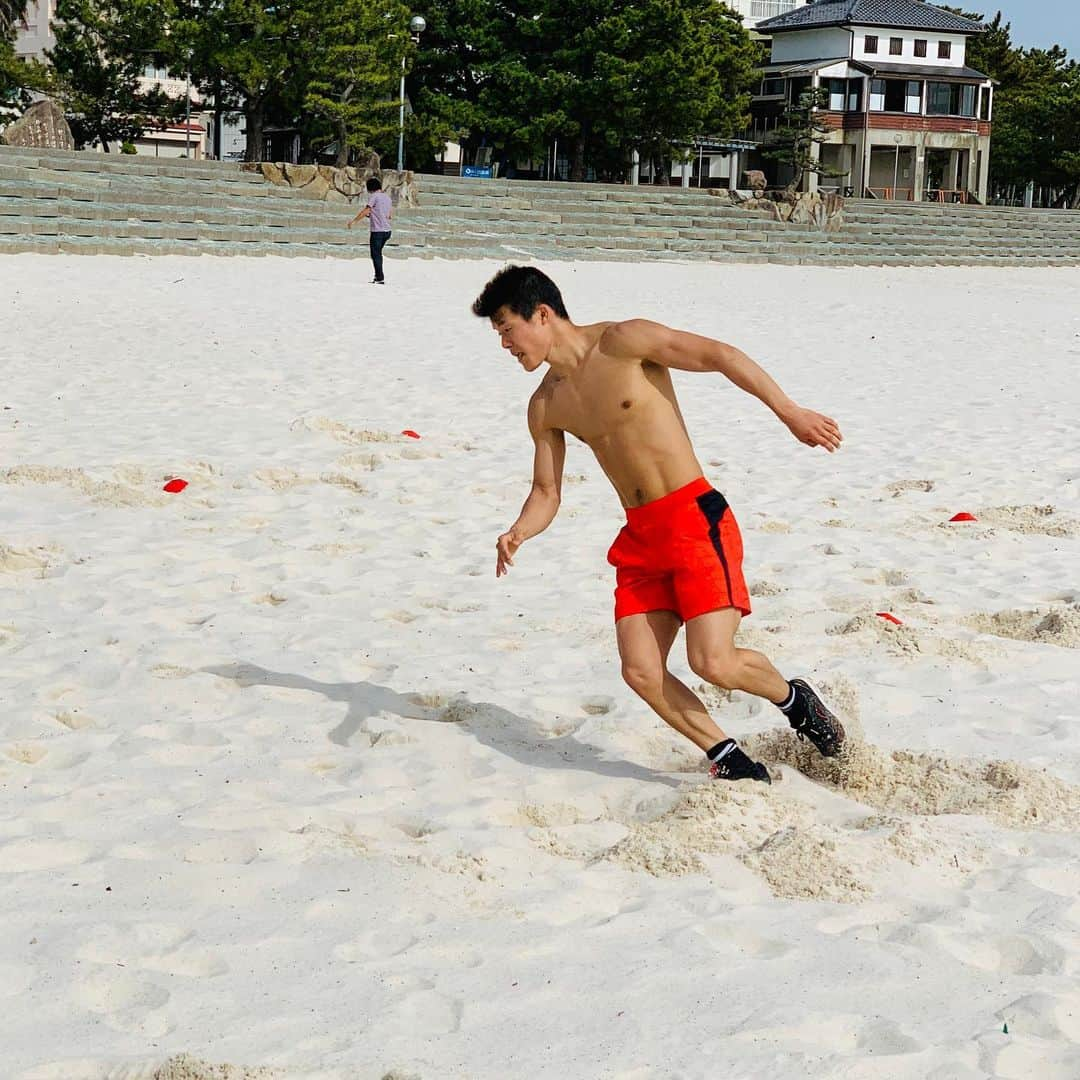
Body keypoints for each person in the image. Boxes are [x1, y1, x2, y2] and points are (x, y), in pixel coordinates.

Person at [473, 265, 846, 784]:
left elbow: (721, 356)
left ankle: (794, 700)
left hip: (694, 517)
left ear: (542, 314)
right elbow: (546, 492)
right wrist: (519, 530)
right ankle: (729, 759)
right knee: (641, 671)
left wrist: (789, 411)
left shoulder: (624, 342)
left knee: (713, 662)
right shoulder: (545, 405)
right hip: (641, 537)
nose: (505, 344)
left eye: (507, 329)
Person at [347, 177, 393, 284]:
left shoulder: (374, 196)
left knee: (375, 254)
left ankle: (379, 278)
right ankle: (378, 276)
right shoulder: (387, 198)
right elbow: (389, 215)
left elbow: (367, 210)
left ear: (370, 188)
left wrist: (354, 221)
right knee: (378, 253)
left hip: (378, 231)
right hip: (387, 230)